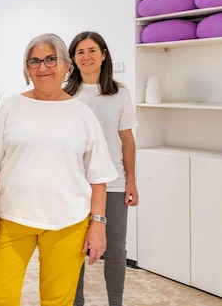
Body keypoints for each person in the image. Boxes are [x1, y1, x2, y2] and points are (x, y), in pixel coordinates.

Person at [0, 33, 118, 306]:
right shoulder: (11, 107)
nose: (43, 67)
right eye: (34, 61)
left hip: (68, 223)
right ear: (27, 69)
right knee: (2, 296)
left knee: (57, 300)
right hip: (12, 218)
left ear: (66, 65)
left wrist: (98, 224)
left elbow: (98, 177)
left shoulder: (82, 114)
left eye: (51, 59)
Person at [64, 31, 139, 306]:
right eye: (80, 52)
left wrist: (131, 181)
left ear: (104, 54)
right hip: (75, 185)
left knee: (116, 250)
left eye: (92, 50)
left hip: (114, 183)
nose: (87, 56)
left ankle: (115, 302)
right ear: (72, 58)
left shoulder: (120, 93)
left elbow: (127, 139)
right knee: (75, 250)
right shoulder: (65, 94)